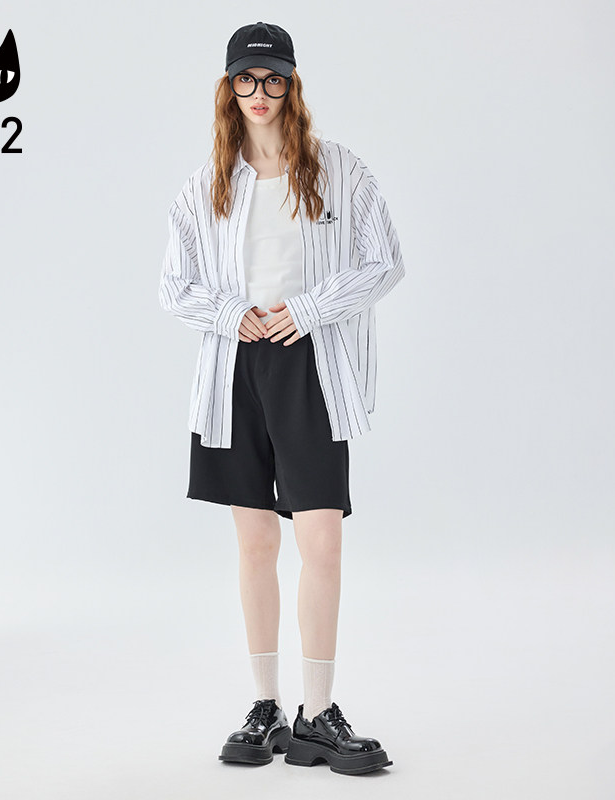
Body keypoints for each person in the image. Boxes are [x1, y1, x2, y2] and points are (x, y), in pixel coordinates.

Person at [158, 21, 405, 775]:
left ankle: (317, 714)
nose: (259, 93)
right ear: (228, 88)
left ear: (291, 85)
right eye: (246, 79)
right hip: (234, 370)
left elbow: (384, 262)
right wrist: (233, 315)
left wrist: (308, 309)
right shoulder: (203, 186)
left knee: (320, 538)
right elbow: (175, 286)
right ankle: (265, 706)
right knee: (256, 543)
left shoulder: (340, 170)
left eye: (273, 80)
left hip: (311, 367)